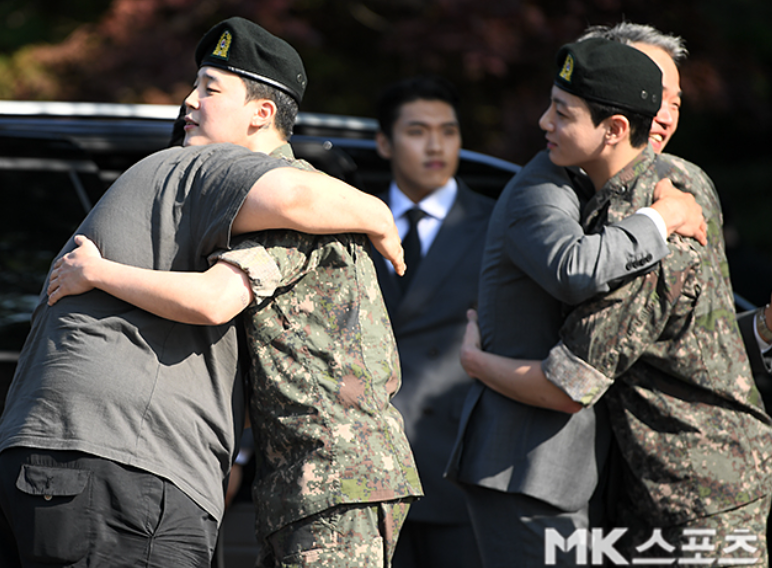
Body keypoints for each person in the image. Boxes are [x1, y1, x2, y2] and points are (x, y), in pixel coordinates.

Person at [0, 17, 407, 568]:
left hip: (335, 476)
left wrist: (99, 273)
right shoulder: (236, 191)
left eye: (210, 89)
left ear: (261, 113)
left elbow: (217, 298)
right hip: (300, 477)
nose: (188, 101)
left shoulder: (290, 200)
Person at [461, 37, 772, 563]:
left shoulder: (653, 220)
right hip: (677, 480)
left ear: (616, 127)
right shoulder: (648, 198)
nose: (544, 122)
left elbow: (570, 382)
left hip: (693, 485)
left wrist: (475, 362)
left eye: (563, 112)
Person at [368, 75, 489, 568]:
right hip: (366, 472)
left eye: (448, 131)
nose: (436, 145)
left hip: (458, 467)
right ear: (384, 142)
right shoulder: (349, 223)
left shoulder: (498, 225)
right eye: (417, 131)